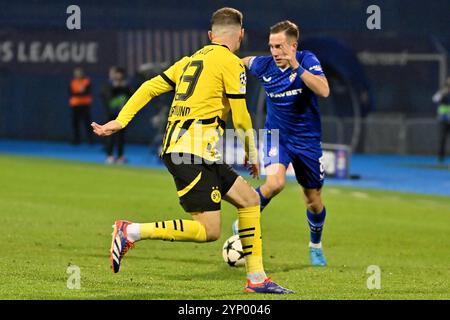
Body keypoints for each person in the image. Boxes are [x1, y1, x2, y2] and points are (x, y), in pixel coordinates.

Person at [91, 7, 293, 294]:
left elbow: (149, 87)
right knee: (209, 230)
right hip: (191, 151)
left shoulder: (189, 60)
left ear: (211, 35)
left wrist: (121, 119)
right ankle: (130, 231)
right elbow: (241, 116)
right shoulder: (232, 64)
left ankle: (257, 278)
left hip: (193, 150)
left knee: (249, 200)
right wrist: (252, 151)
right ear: (241, 35)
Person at [232, 20, 330, 266]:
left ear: (293, 46)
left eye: (279, 46)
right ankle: (244, 219)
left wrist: (297, 66)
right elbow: (240, 62)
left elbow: (324, 90)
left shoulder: (307, 60)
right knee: (275, 183)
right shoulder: (264, 65)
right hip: (277, 137)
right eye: (271, 46)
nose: (274, 52)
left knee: (314, 201)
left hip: (307, 141)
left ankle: (315, 245)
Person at [101, 67, 133, 164]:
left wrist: (123, 87)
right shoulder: (108, 85)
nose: (118, 77)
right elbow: (107, 98)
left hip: (121, 117)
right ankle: (109, 156)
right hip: (110, 115)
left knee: (121, 137)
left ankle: (120, 157)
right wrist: (115, 87)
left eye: (120, 75)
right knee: (109, 136)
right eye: (116, 74)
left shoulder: (126, 86)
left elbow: (132, 96)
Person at [69, 67, 94, 145]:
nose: (78, 74)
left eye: (79, 72)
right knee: (75, 123)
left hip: (85, 105)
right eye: (76, 73)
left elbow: (87, 92)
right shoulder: (73, 82)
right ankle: (76, 140)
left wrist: (79, 93)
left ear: (82, 73)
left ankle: (90, 140)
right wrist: (79, 93)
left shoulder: (87, 81)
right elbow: (71, 93)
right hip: (75, 105)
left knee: (87, 123)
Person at [432, 77, 450, 162]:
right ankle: (440, 157)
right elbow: (435, 99)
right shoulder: (443, 91)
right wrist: (442, 93)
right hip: (443, 119)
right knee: (442, 138)